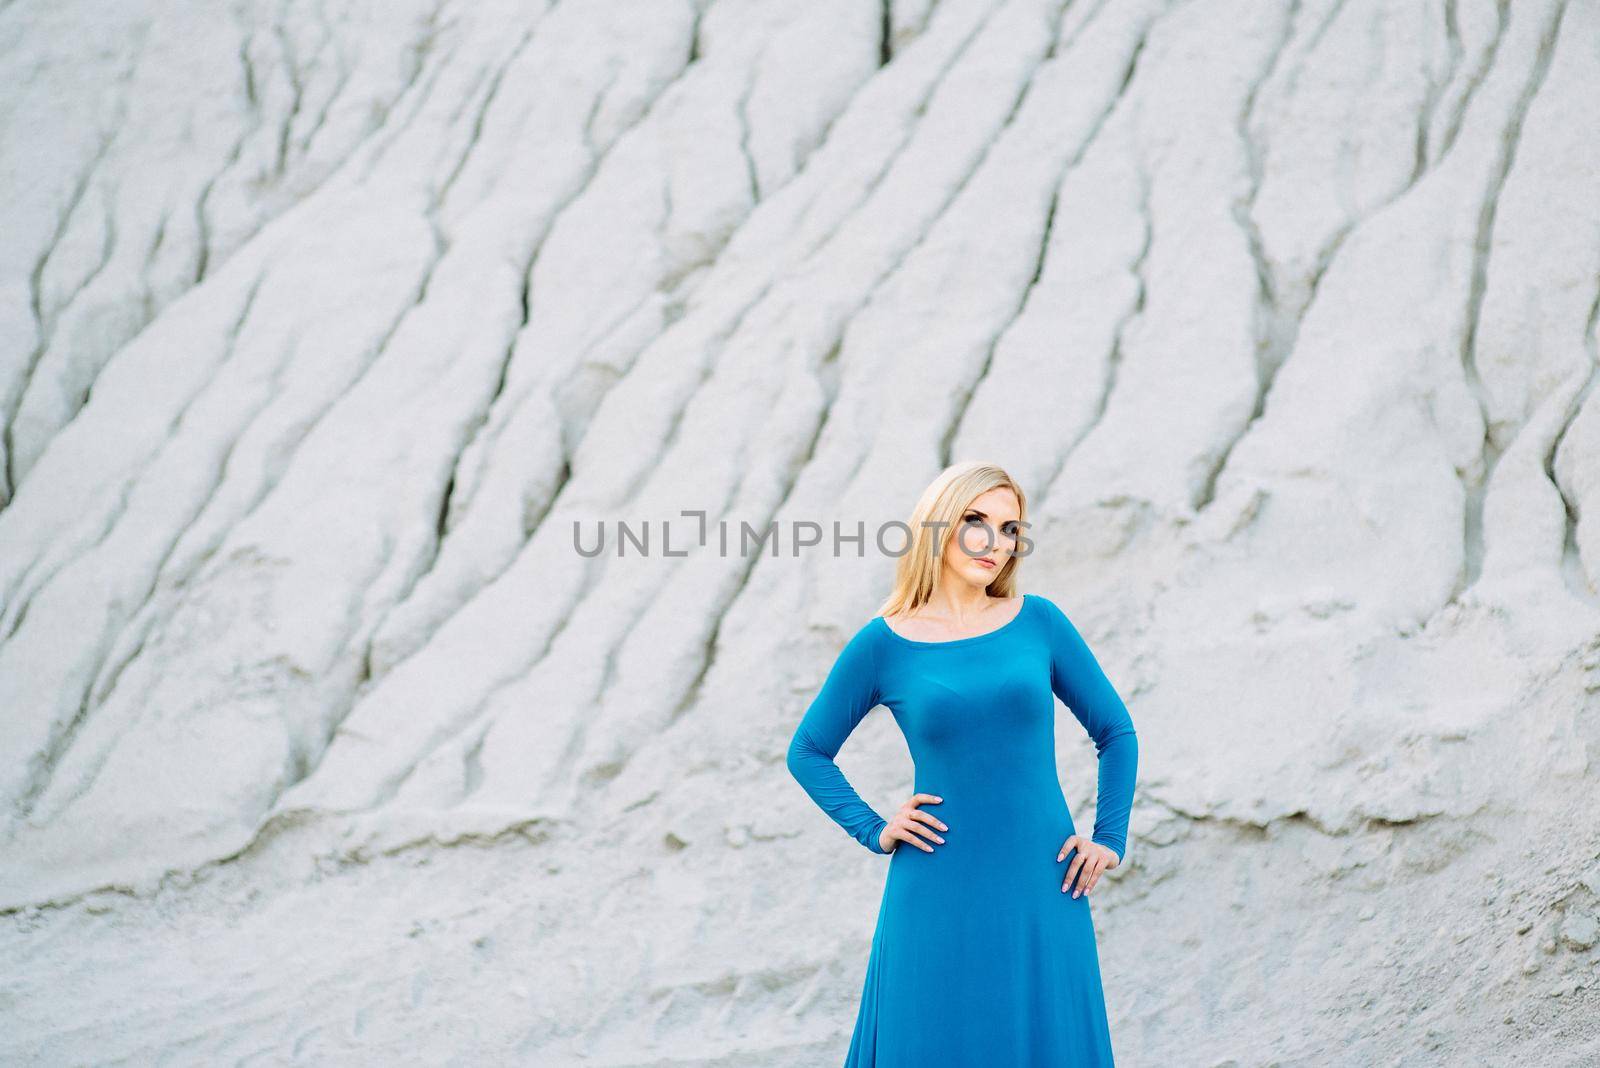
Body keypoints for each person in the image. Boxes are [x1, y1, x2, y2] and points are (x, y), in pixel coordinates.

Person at [785, 460, 1138, 1066]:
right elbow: (808, 751)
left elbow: (1116, 731)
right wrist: (874, 827)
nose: (994, 542)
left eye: (1010, 529)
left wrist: (1108, 837)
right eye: (976, 521)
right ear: (938, 525)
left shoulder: (1040, 622)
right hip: (936, 881)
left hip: (1042, 877)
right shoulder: (882, 642)